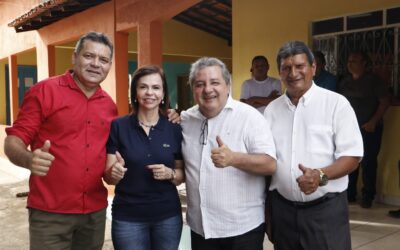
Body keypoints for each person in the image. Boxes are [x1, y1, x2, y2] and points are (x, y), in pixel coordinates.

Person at [3, 32, 179, 250]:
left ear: (109, 65)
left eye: (103, 60)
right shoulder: (45, 91)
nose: (96, 64)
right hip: (51, 212)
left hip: (94, 213)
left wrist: (170, 116)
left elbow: (110, 160)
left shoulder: (109, 106)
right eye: (89, 56)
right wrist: (29, 159)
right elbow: (13, 140)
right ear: (74, 57)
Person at [263, 41, 363, 250]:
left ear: (313, 68)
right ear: (280, 72)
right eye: (286, 68)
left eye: (300, 66)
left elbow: (352, 156)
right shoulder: (272, 110)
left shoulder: (336, 104)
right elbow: (267, 160)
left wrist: (320, 175)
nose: (293, 73)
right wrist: (269, 212)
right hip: (283, 211)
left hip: (325, 212)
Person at [181, 57, 277, 250]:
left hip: (242, 230)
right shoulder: (185, 119)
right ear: (193, 89)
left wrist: (234, 158)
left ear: (228, 85)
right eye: (200, 84)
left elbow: (270, 164)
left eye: (215, 82)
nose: (208, 89)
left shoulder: (250, 117)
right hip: (200, 228)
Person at [104, 65, 185, 250]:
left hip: (168, 216)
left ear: (163, 93)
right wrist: (114, 172)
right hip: (128, 217)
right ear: (135, 92)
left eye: (156, 87)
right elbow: (108, 177)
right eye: (143, 87)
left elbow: (182, 174)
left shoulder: (174, 128)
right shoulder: (119, 126)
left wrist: (171, 173)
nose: (150, 93)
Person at [338, 51, 390, 208]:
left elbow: (385, 101)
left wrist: (373, 121)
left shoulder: (373, 81)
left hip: (368, 128)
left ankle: (368, 195)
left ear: (364, 64)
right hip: (349, 128)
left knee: (368, 162)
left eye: (354, 60)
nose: (350, 63)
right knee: (349, 160)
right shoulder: (345, 81)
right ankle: (350, 194)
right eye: (349, 60)